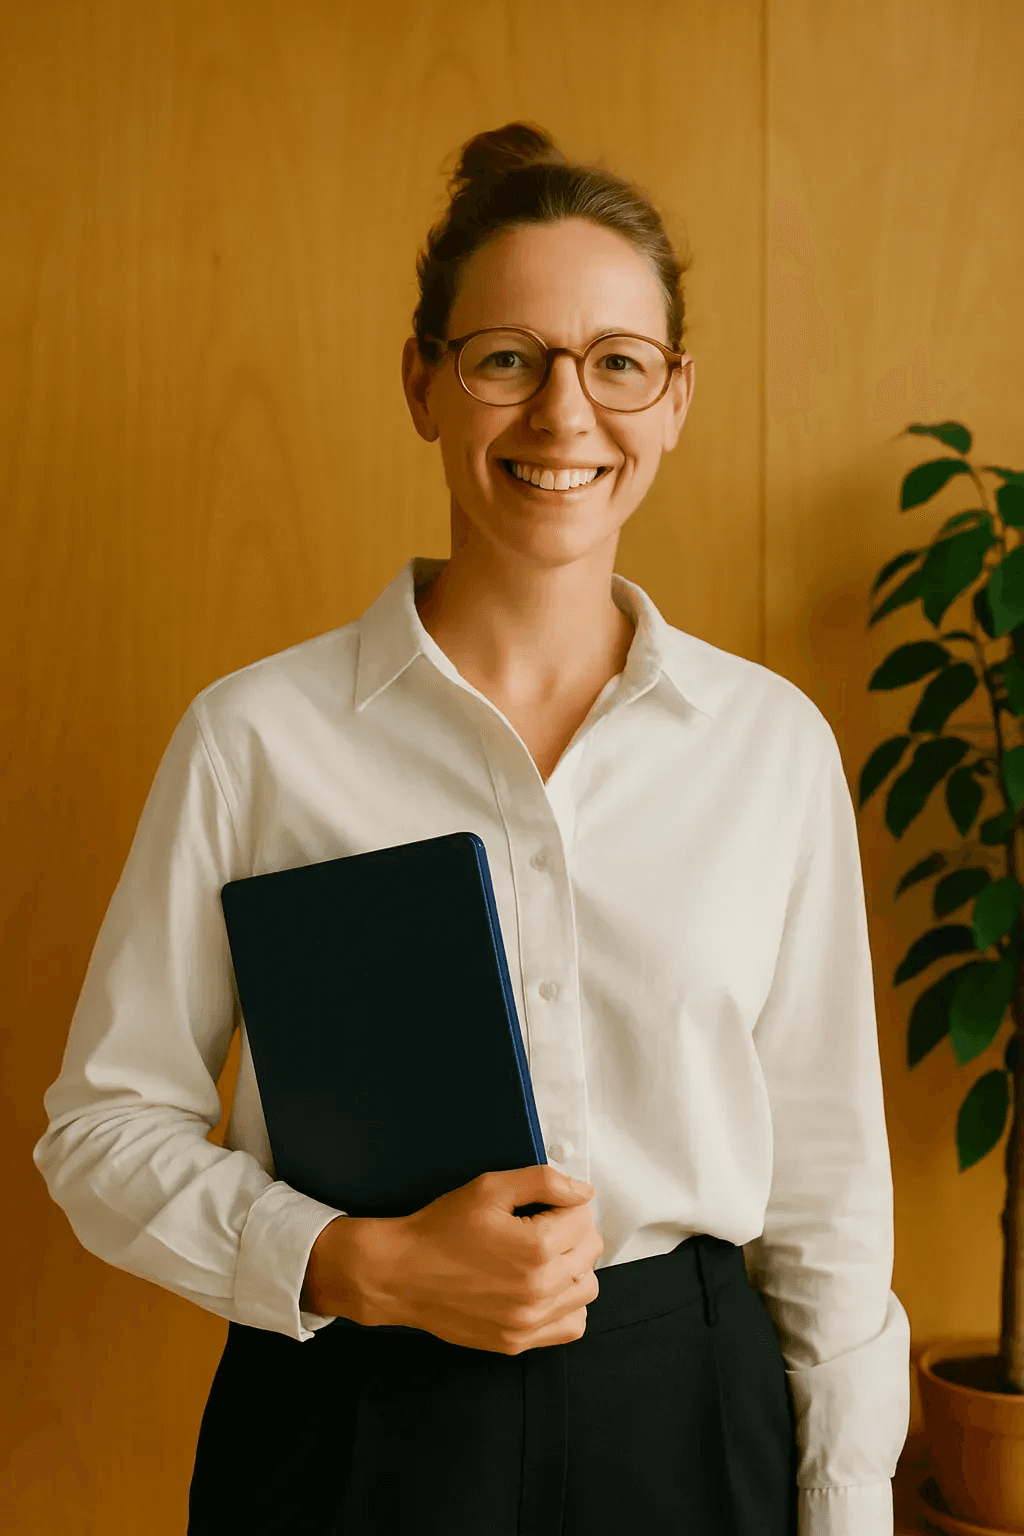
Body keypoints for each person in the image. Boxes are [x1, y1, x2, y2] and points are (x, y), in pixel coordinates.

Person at [33, 121, 911, 1534]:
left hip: (689, 1414)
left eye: (617, 362)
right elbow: (101, 1129)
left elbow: (825, 1188)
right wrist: (349, 1264)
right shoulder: (257, 738)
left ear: (675, 397)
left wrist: (847, 1499)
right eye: (508, 357)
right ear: (424, 382)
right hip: (350, 1414)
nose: (565, 416)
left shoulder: (770, 749)